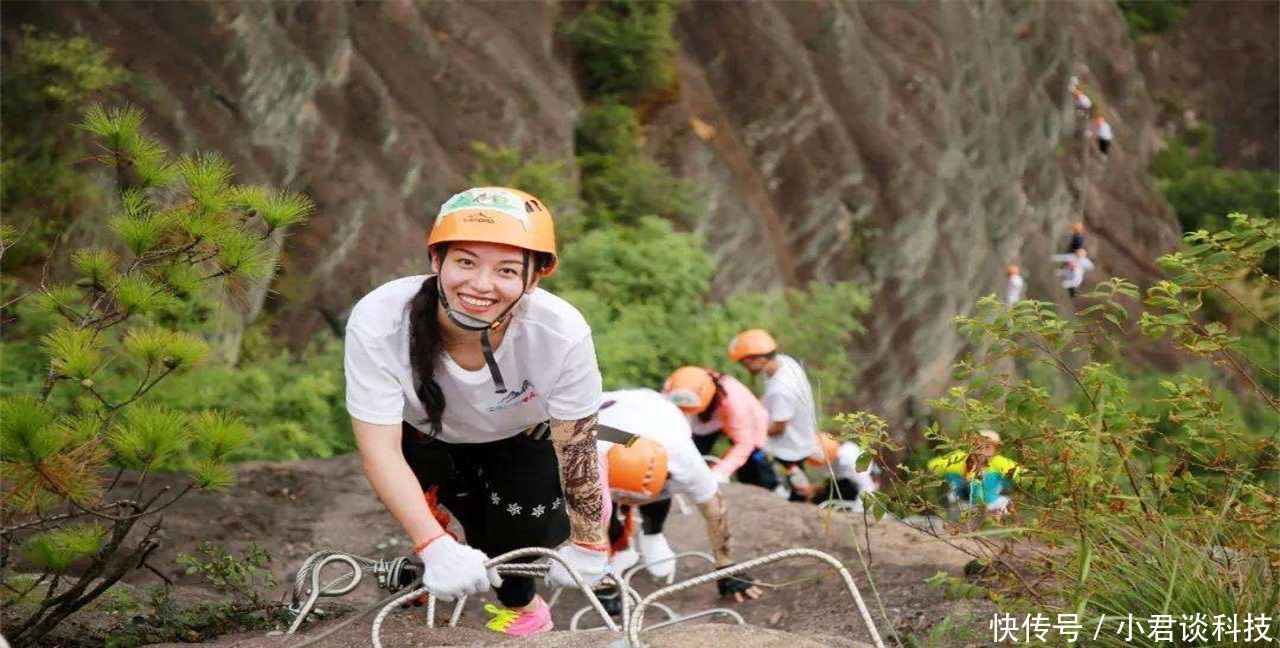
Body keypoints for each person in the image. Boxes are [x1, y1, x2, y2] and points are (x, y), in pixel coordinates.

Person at [344, 187, 610, 637]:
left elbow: (577, 444)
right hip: (425, 439)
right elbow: (380, 451)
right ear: (436, 261)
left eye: (507, 270)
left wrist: (589, 542)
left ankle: (526, 609)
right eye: (465, 262)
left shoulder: (559, 333)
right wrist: (433, 545)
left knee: (514, 551)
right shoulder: (380, 321)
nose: (481, 286)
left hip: (520, 438)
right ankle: (435, 558)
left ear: (534, 278)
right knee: (446, 532)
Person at [591, 389, 764, 612]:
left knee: (656, 499)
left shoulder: (683, 458)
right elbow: (594, 521)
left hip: (656, 409)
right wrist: (602, 582)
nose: (630, 505)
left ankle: (653, 534)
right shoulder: (586, 457)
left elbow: (714, 509)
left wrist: (726, 565)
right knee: (601, 511)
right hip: (603, 413)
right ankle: (620, 551)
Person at [728, 329, 820, 501]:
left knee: (788, 491)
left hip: (787, 448)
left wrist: (748, 432)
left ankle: (768, 496)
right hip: (800, 439)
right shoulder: (784, 363)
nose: (745, 366)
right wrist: (754, 409)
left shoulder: (781, 389)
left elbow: (778, 428)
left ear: (760, 358)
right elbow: (770, 397)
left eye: (745, 362)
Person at [661, 366, 775, 490]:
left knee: (751, 467)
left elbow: (745, 443)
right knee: (690, 456)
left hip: (749, 426)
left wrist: (720, 472)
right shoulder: (673, 387)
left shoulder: (734, 402)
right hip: (703, 423)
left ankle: (770, 489)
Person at [927, 430, 1024, 519]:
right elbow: (932, 465)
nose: (982, 450)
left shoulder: (1000, 463)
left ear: (995, 449)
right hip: (961, 506)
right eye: (979, 445)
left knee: (1005, 504)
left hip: (990, 506)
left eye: (987, 446)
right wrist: (956, 473)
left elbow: (1025, 476)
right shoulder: (960, 459)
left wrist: (1007, 481)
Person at [808, 433, 880, 509]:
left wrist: (859, 508)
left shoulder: (849, 459)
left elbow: (867, 486)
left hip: (866, 480)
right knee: (818, 499)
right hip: (843, 481)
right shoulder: (826, 457)